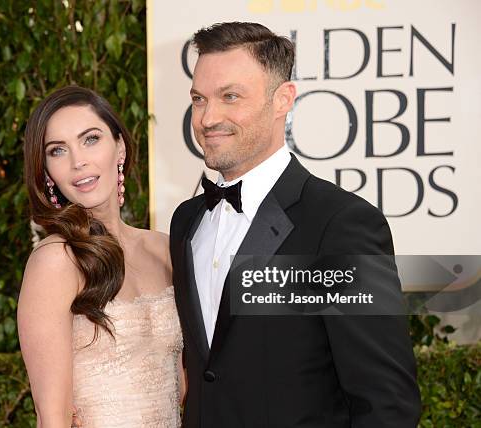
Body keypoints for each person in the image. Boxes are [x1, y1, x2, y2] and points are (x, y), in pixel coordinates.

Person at [169, 22, 421, 427]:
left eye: (230, 96)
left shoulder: (341, 225)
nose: (207, 117)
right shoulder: (187, 221)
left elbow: (387, 403)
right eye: (199, 99)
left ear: (283, 99)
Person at [17, 85, 184, 428]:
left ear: (119, 146)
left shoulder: (164, 249)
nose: (78, 161)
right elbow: (52, 416)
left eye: (90, 139)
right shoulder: (55, 261)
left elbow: (184, 384)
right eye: (58, 150)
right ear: (47, 171)